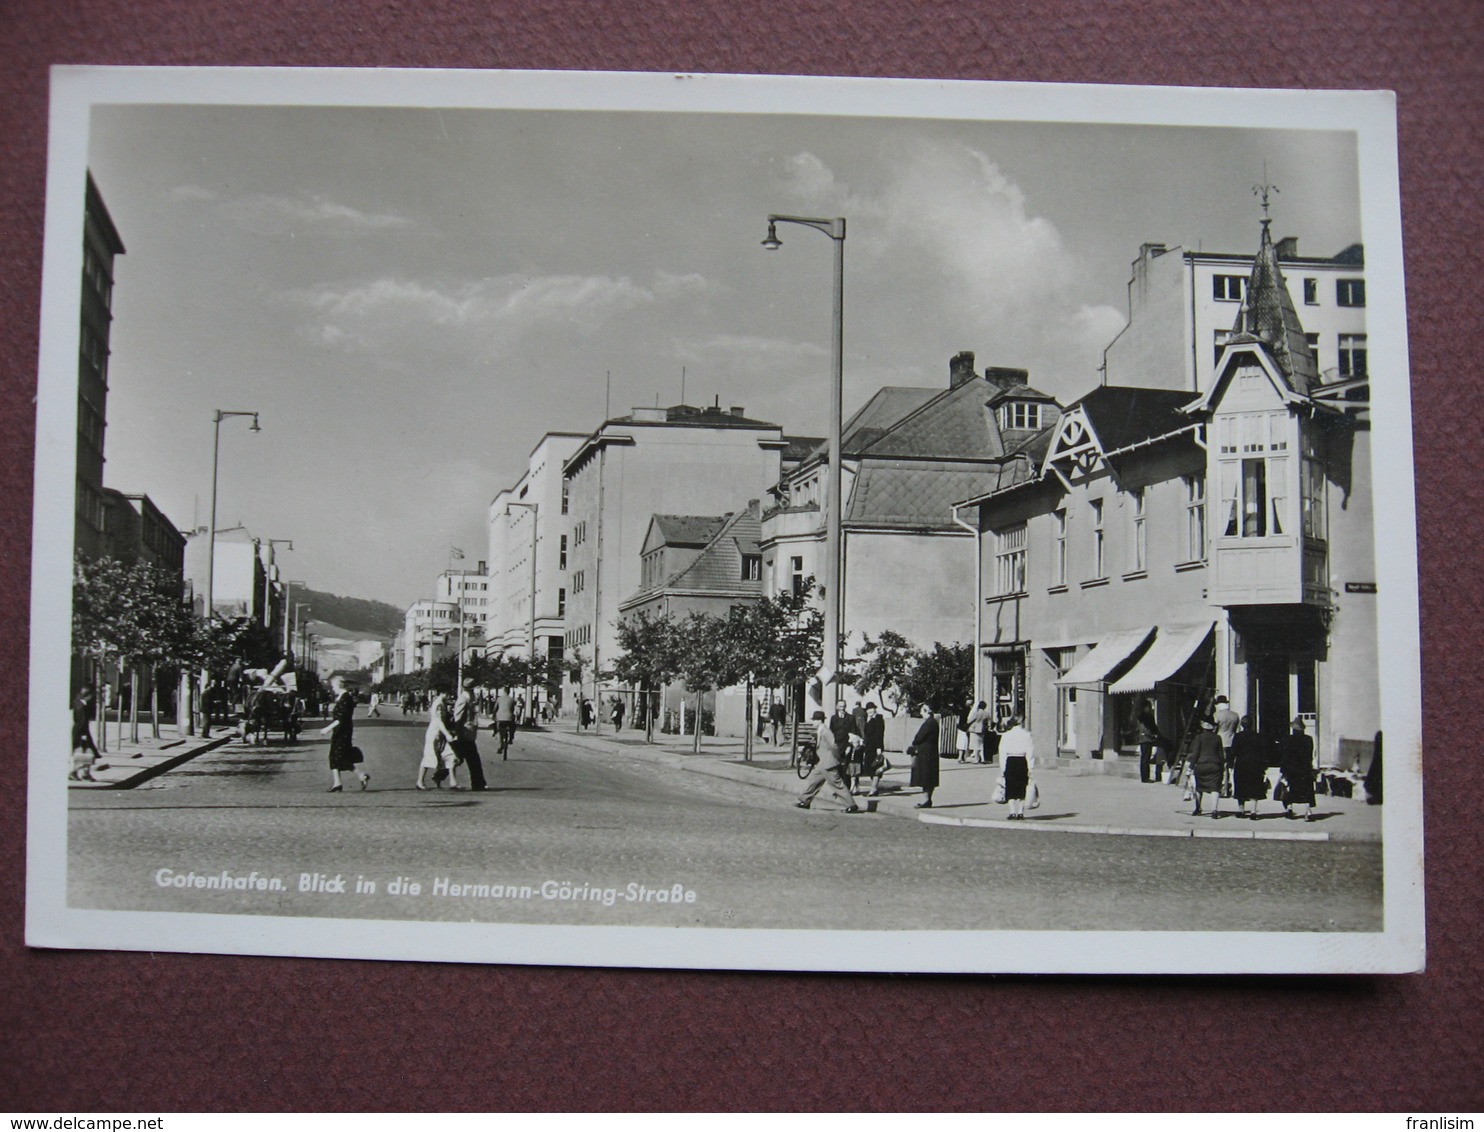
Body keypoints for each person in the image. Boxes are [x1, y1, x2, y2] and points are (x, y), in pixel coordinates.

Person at [794, 710, 861, 813]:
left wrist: (837, 758)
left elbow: (833, 746)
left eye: (814, 720)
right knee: (814, 781)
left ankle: (851, 805)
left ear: (819, 721)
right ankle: (805, 800)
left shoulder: (825, 731)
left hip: (829, 763)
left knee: (837, 784)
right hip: (822, 762)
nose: (813, 723)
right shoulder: (820, 731)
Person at [319, 676, 369, 792]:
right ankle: (338, 782)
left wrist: (326, 729)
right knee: (336, 756)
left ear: (338, 685)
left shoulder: (346, 698)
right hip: (340, 730)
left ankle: (360, 776)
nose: (332, 689)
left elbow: (340, 719)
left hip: (343, 731)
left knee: (339, 756)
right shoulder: (343, 697)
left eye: (333, 686)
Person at [450, 677, 488, 790]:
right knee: (473, 759)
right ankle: (478, 784)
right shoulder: (463, 699)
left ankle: (440, 775)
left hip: (468, 733)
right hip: (464, 733)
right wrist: (457, 733)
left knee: (460, 758)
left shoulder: (470, 698)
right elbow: (458, 717)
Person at [416, 692, 460, 790]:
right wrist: (447, 734)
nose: (449, 696)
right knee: (430, 756)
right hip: (435, 734)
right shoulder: (438, 704)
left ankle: (453, 782)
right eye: (448, 694)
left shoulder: (442, 703)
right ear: (442, 693)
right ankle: (420, 781)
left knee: (450, 755)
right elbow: (438, 721)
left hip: (441, 734)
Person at [1279, 717, 1317, 821]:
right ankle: (1308, 812)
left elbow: (1284, 756)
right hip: (1304, 768)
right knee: (1307, 790)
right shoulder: (1308, 739)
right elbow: (1310, 754)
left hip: (1291, 769)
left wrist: (1283, 769)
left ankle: (1289, 809)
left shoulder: (1287, 739)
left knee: (1289, 789)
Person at [1230, 715, 1268, 819]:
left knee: (1240, 787)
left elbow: (1233, 751)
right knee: (1254, 787)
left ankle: (1241, 811)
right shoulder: (1258, 736)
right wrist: (1264, 765)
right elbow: (1263, 752)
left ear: (1242, 725)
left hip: (1241, 764)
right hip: (1255, 764)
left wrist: (1230, 763)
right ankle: (1253, 811)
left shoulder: (1238, 736)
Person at [998, 714, 1035, 820]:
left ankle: (1012, 812)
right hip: (1022, 761)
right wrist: (1031, 767)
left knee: (1010, 786)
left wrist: (1003, 768)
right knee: (1022, 786)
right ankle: (1020, 812)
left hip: (1010, 761)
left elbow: (1002, 752)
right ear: (1022, 722)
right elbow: (1030, 752)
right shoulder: (1027, 735)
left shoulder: (1006, 735)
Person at [1187, 716, 1226, 816]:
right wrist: (1223, 767)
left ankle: (1198, 808)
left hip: (1201, 765)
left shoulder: (1199, 737)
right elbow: (1221, 754)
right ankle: (1214, 810)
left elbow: (1195, 754)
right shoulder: (1217, 738)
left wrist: (1190, 767)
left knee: (1199, 787)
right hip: (1215, 765)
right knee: (1215, 788)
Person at [908, 705, 941, 809]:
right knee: (929, 776)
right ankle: (928, 800)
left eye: (922, 711)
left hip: (926, 753)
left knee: (925, 776)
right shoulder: (933, 722)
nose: (921, 713)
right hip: (931, 752)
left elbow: (919, 737)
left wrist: (914, 742)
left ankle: (926, 800)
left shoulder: (928, 723)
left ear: (926, 711)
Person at [70, 685, 102, 781]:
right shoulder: (82, 707)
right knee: (87, 753)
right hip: (81, 732)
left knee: (86, 753)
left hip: (79, 731)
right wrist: (83, 735)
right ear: (87, 695)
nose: (92, 698)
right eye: (91, 696)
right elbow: (81, 721)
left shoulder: (78, 702)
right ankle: (76, 772)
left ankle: (85, 773)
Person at [1212, 694, 1240, 794]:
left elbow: (1214, 729)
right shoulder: (1235, 715)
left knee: (1221, 766)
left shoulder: (1217, 715)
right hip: (1232, 741)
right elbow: (1237, 729)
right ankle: (1233, 788)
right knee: (1231, 766)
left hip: (1221, 741)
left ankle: (1223, 787)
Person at [1134, 699, 1167, 783]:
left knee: (1147, 758)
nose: (1150, 708)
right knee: (1145, 758)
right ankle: (1145, 777)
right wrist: (1152, 735)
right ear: (1145, 707)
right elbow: (1145, 729)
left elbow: (1154, 727)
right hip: (1145, 739)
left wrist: (1157, 734)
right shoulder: (1143, 717)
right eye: (1148, 707)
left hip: (1148, 739)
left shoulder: (1149, 716)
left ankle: (1146, 776)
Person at [858, 702, 889, 795]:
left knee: (876, 767)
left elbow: (879, 735)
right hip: (869, 747)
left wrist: (879, 747)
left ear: (875, 709)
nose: (870, 711)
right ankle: (874, 787)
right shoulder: (869, 719)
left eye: (871, 709)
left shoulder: (878, 719)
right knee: (870, 768)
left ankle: (874, 788)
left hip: (875, 747)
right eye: (868, 710)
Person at [494, 687, 516, 759]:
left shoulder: (499, 699)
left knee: (500, 731)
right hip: (509, 717)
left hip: (500, 718)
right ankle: (511, 738)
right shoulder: (512, 699)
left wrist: (495, 714)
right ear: (509, 692)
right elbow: (512, 708)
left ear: (504, 691)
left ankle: (500, 744)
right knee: (513, 725)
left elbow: (495, 708)